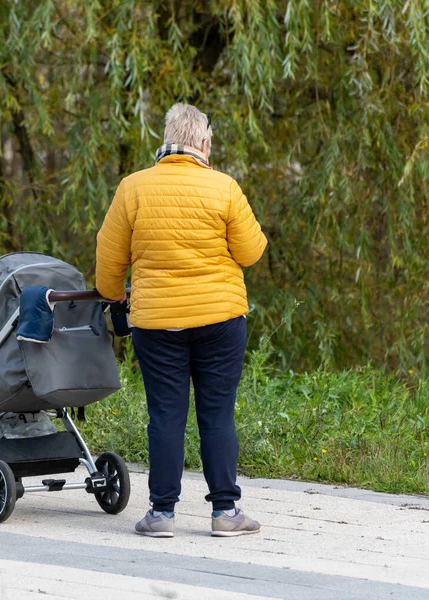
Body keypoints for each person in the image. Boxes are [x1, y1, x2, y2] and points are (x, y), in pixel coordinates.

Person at [95, 103, 267, 538]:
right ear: (205, 144)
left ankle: (161, 514)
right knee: (217, 413)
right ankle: (226, 512)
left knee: (166, 416)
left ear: (166, 138)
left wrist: (116, 299)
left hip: (157, 323)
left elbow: (108, 260)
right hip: (220, 320)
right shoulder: (224, 188)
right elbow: (250, 253)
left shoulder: (133, 188)